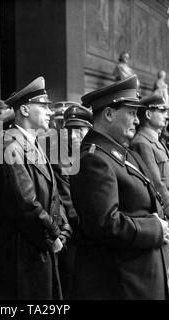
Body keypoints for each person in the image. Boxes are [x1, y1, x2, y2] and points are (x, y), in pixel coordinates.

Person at [70, 75, 169, 300]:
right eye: (132, 113)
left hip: (141, 277)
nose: (137, 121)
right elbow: (106, 224)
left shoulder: (123, 154)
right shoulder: (93, 159)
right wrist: (155, 229)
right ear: (108, 114)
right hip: (122, 283)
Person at [0, 76, 68, 299]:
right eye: (43, 106)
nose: (49, 111)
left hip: (38, 245)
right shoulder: (9, 145)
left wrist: (62, 229)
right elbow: (26, 203)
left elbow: (53, 196)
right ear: (25, 110)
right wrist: (54, 235)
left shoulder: (32, 143)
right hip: (22, 251)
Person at [51, 103, 93, 299]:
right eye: (70, 130)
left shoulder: (92, 154)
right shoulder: (60, 159)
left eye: (80, 130)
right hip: (78, 236)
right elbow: (69, 203)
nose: (74, 135)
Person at [132, 94, 169, 222]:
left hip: (168, 210)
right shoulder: (142, 143)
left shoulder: (155, 141)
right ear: (148, 115)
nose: (166, 116)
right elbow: (155, 183)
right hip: (159, 212)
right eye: (161, 111)